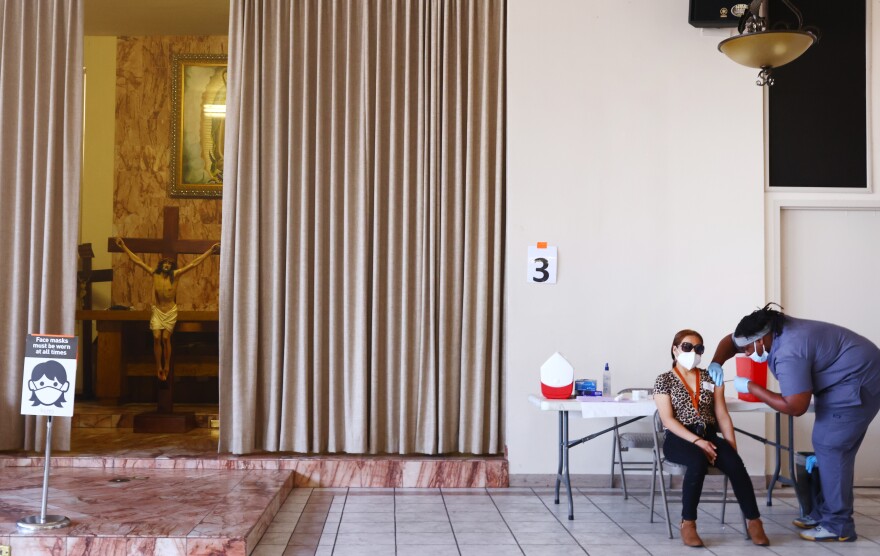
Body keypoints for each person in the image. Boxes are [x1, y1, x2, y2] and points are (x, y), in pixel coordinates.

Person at [708, 303, 880, 542]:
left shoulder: (790, 350)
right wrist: (716, 362)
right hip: (848, 374)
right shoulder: (771, 329)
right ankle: (824, 513)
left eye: (748, 348)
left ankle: (838, 525)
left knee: (831, 447)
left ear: (761, 340)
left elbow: (795, 407)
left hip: (860, 380)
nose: (746, 354)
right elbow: (731, 341)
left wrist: (751, 387)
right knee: (828, 447)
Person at [654, 329, 769, 547]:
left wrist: (731, 446)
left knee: (735, 464)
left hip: (708, 434)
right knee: (697, 461)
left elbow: (722, 414)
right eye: (687, 347)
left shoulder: (709, 377)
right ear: (675, 349)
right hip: (679, 438)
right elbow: (667, 420)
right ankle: (688, 523)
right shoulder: (664, 380)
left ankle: (754, 521)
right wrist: (697, 442)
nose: (693, 352)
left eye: (698, 348)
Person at [115, 238, 220, 381]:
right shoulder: (154, 274)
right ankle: (159, 366)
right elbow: (137, 261)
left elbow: (194, 263)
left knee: (165, 338)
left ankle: (167, 366)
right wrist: (123, 247)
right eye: (165, 263)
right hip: (158, 311)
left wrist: (210, 252)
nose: (167, 265)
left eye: (169, 264)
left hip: (170, 311)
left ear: (172, 267)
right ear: (161, 265)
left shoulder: (175, 275)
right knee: (156, 337)